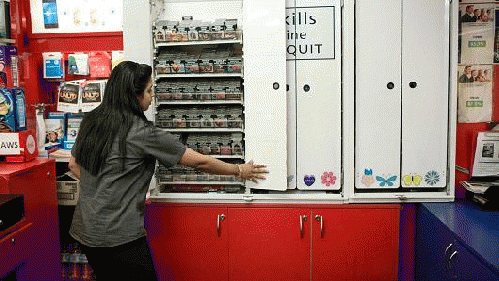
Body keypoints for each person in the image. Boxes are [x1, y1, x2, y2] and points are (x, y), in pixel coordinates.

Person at [68, 61, 268, 280]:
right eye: (149, 90)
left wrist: (109, 188)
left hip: (85, 231)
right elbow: (199, 163)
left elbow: (74, 165)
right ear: (132, 95)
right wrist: (239, 170)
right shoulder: (141, 132)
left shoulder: (92, 120)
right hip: (118, 236)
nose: (152, 95)